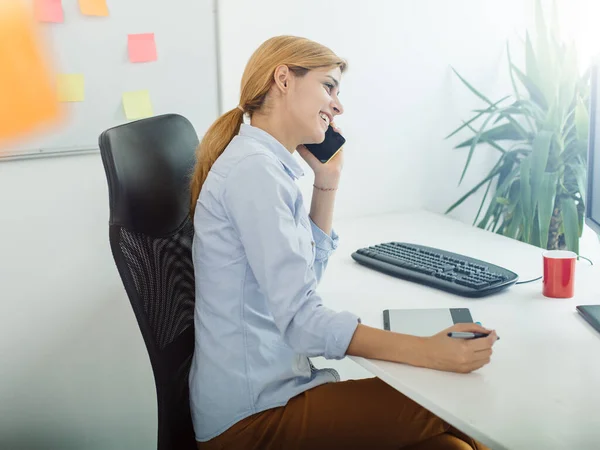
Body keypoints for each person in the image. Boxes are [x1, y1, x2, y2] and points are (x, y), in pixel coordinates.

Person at [188, 35, 498, 450]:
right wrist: (428, 352)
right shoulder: (254, 173)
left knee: (454, 445)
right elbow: (301, 320)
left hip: (274, 394)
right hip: (252, 420)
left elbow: (303, 282)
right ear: (284, 78)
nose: (338, 106)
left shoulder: (266, 167)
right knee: (454, 406)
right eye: (329, 86)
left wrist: (326, 182)